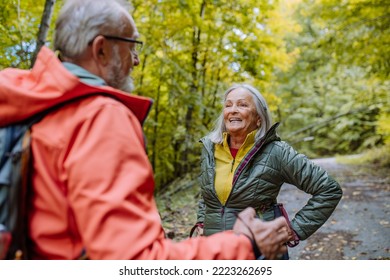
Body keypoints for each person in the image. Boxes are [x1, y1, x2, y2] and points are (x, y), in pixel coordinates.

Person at [0, 0, 290, 260]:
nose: (136, 60)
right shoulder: (99, 118)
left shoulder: (21, 100)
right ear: (101, 49)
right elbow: (134, 261)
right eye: (132, 45)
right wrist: (245, 244)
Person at [192, 83, 343, 257]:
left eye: (242, 104)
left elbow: (329, 190)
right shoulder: (210, 148)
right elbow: (207, 193)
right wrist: (202, 222)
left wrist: (295, 229)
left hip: (260, 251)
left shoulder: (277, 151)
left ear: (259, 118)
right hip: (214, 249)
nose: (233, 110)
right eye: (228, 105)